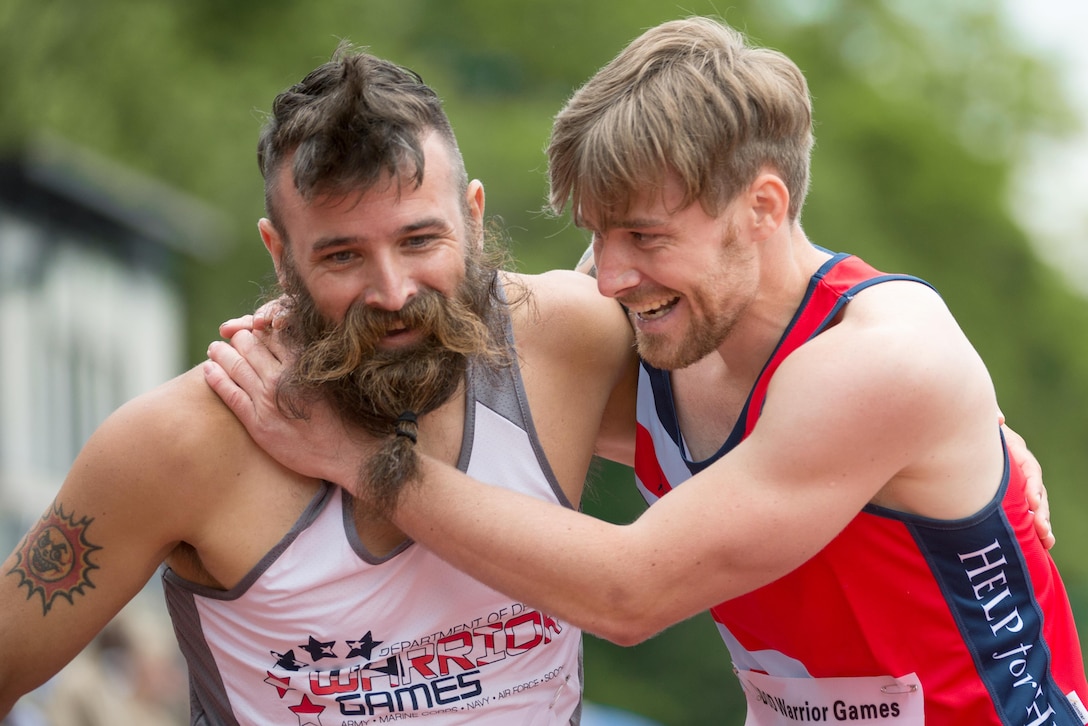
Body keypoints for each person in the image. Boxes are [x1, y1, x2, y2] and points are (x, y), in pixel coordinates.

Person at [204, 17, 1086, 724]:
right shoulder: (651, 314)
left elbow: (630, 594)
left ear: (763, 206)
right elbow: (438, 299)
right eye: (597, 233)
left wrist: (360, 462)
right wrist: (323, 303)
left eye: (645, 236)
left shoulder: (883, 360)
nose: (611, 274)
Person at [0, 45, 638, 724]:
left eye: (421, 241)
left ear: (473, 217)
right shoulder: (180, 444)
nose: (393, 292)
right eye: (342, 256)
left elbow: (725, 488)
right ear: (281, 257)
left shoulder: (572, 343)